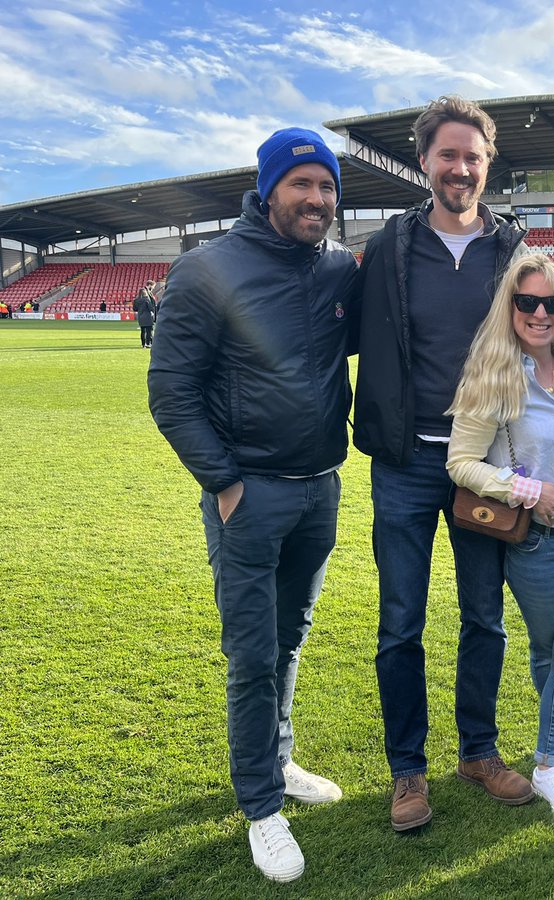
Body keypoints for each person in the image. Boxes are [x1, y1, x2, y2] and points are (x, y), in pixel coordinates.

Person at [352, 96, 554, 832]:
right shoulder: (390, 247)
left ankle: (479, 752)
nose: (461, 168)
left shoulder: (513, 249)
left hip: (490, 466)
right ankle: (407, 772)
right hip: (404, 464)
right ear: (424, 160)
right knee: (400, 621)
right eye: (448, 155)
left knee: (484, 619)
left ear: (488, 166)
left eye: (474, 157)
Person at [148, 128, 355, 883]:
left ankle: (280, 758)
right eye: (302, 185)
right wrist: (226, 483)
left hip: (320, 489)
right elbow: (171, 393)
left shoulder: (337, 268)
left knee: (289, 639)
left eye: (327, 187)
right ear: (269, 190)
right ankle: (262, 806)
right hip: (250, 496)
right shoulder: (206, 271)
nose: (317, 200)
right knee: (252, 653)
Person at [446, 255, 554, 821]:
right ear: (511, 308)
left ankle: (548, 765)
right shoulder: (495, 377)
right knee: (551, 651)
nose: (540, 313)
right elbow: (460, 463)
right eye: (527, 302)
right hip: (538, 544)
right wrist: (528, 489)